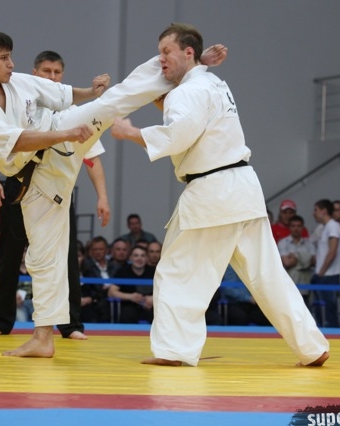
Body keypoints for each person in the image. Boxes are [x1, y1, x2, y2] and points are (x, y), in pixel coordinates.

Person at [0, 28, 226, 357]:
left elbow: (62, 95)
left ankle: (189, 65)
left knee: (112, 101)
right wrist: (66, 134)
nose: (12, 64)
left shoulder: (17, 82)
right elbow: (18, 141)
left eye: (11, 57)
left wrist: (90, 92)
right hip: (36, 177)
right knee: (43, 257)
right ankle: (43, 338)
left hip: (58, 137)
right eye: (4, 58)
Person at [110, 23, 328, 366]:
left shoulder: (188, 91)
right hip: (243, 187)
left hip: (212, 192)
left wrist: (130, 132)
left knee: (178, 272)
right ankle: (312, 346)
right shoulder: (214, 83)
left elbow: (177, 135)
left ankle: (174, 350)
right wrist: (200, 63)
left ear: (188, 52)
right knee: (268, 276)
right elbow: (190, 120)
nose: (160, 59)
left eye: (166, 52)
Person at [0, 49, 112, 340]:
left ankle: (71, 324)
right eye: (46, 72)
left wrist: (102, 196)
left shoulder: (72, 113)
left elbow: (92, 158)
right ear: (35, 74)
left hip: (58, 191)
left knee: (66, 255)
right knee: (9, 252)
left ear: (63, 77)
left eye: (57, 73)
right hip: (19, 184)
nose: (52, 77)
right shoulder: (18, 103)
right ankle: (0, 320)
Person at [310, 199, 340, 328]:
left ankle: (333, 333)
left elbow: (332, 251)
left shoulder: (333, 226)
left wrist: (321, 272)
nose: (313, 213)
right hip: (324, 273)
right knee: (321, 309)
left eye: (316, 210)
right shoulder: (324, 228)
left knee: (329, 309)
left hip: (329, 275)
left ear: (324, 211)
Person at [108, 245, 154, 324]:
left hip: (151, 305)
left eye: (142, 256)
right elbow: (111, 292)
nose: (139, 258)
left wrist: (153, 298)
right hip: (129, 305)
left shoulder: (154, 271)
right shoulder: (122, 271)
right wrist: (130, 297)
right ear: (130, 258)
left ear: (147, 258)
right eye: (136, 255)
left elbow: (166, 290)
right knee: (127, 314)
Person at [278, 215, 315, 305]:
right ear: (289, 227)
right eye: (293, 226)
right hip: (289, 283)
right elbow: (287, 263)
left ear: (302, 227)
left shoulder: (309, 243)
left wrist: (296, 256)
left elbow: (314, 261)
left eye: (299, 226)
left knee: (307, 308)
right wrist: (305, 259)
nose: (296, 229)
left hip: (307, 283)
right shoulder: (283, 243)